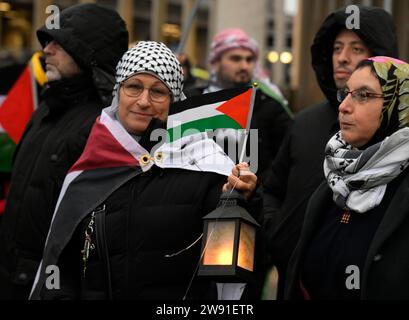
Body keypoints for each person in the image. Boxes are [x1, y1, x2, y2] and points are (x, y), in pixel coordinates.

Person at [29, 41, 260, 300]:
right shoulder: (92, 163)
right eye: (134, 87)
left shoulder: (207, 167)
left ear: (174, 101)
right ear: (118, 93)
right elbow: (61, 267)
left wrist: (243, 199)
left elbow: (232, 269)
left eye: (158, 91)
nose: (144, 101)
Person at [263, 5, 399, 298]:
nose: (342, 57)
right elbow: (272, 189)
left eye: (356, 48)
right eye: (336, 47)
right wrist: (279, 235)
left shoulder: (400, 147)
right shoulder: (303, 123)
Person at [0, 3, 129, 299]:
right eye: (47, 41)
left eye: (60, 42)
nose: (46, 49)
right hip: (11, 278)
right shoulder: (45, 110)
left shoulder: (104, 126)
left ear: (88, 52)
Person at [285, 56, 409, 300]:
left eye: (363, 95)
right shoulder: (335, 179)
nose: (344, 106)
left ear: (399, 104)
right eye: (346, 93)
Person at [185, 28, 292, 183]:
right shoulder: (193, 100)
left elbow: (284, 159)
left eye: (249, 60)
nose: (244, 66)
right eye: (235, 59)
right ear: (215, 63)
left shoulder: (269, 106)